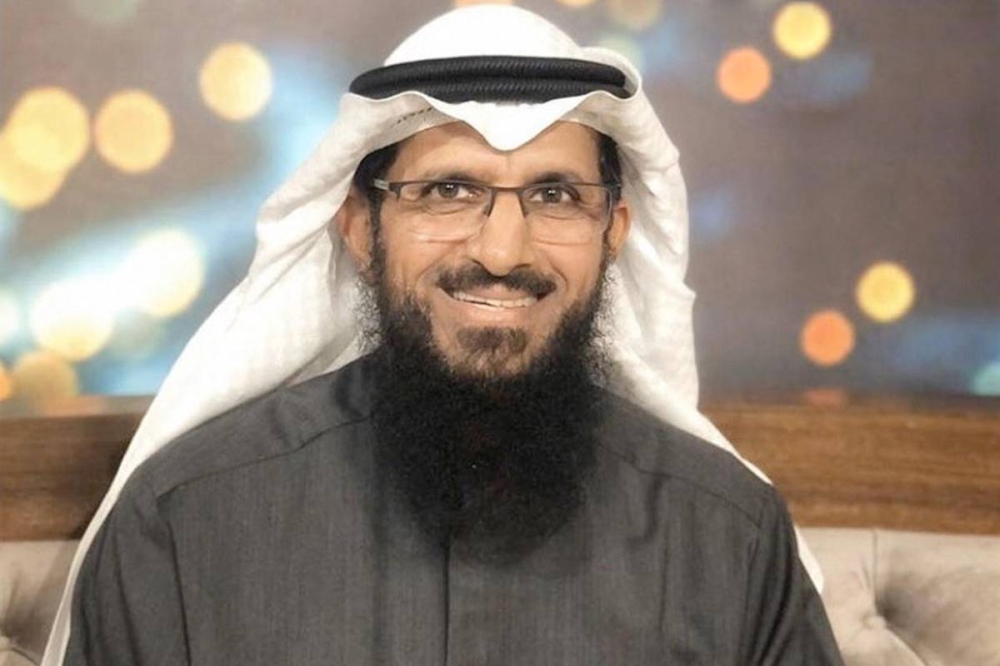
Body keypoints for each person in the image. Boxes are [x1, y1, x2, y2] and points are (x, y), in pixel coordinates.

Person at [46, 5, 844, 665]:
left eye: (556, 196)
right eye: (448, 191)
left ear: (613, 234)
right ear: (360, 228)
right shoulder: (187, 522)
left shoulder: (727, 536)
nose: (502, 252)